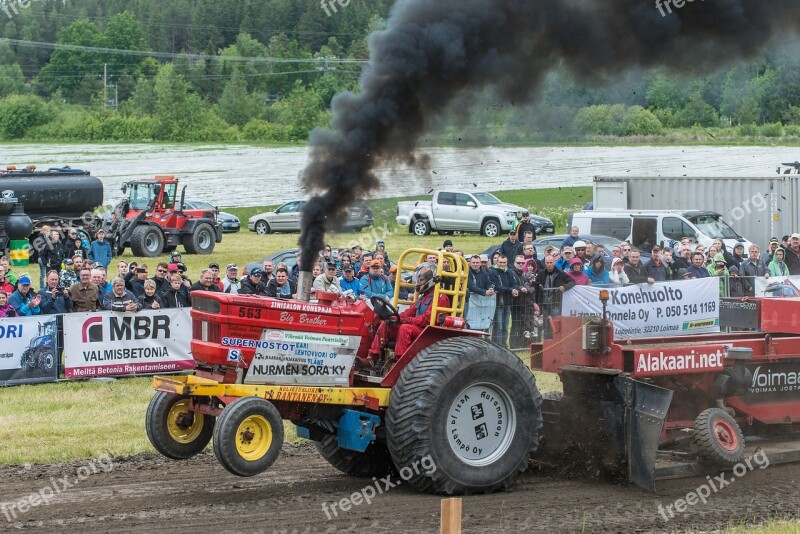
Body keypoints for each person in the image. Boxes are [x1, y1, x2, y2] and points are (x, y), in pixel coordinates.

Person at [365, 263, 450, 365]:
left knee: (405, 328)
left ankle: (399, 363)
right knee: (385, 324)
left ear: (430, 280)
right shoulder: (422, 298)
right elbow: (408, 312)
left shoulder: (440, 298)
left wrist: (405, 320)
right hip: (418, 329)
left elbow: (427, 319)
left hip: (428, 332)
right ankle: (372, 358)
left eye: (421, 280)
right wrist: (392, 317)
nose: (418, 283)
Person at [488, 254, 519, 347]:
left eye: (504, 263)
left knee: (505, 327)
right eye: (500, 262)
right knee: (498, 327)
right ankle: (498, 346)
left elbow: (514, 284)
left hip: (507, 302)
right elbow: (497, 286)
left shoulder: (509, 272)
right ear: (497, 262)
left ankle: (504, 346)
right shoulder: (492, 272)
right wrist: (510, 290)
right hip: (498, 303)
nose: (502, 264)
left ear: (507, 262)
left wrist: (515, 290)